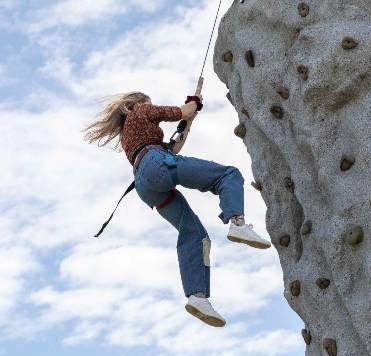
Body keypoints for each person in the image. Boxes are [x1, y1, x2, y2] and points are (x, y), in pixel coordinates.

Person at [83, 91, 270, 327]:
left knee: (194, 234)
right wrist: (191, 107)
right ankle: (238, 223)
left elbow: (174, 148)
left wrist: (188, 122)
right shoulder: (141, 110)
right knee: (228, 175)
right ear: (138, 104)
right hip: (156, 164)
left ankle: (197, 296)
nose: (150, 107)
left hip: (146, 183)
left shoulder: (130, 133)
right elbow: (180, 112)